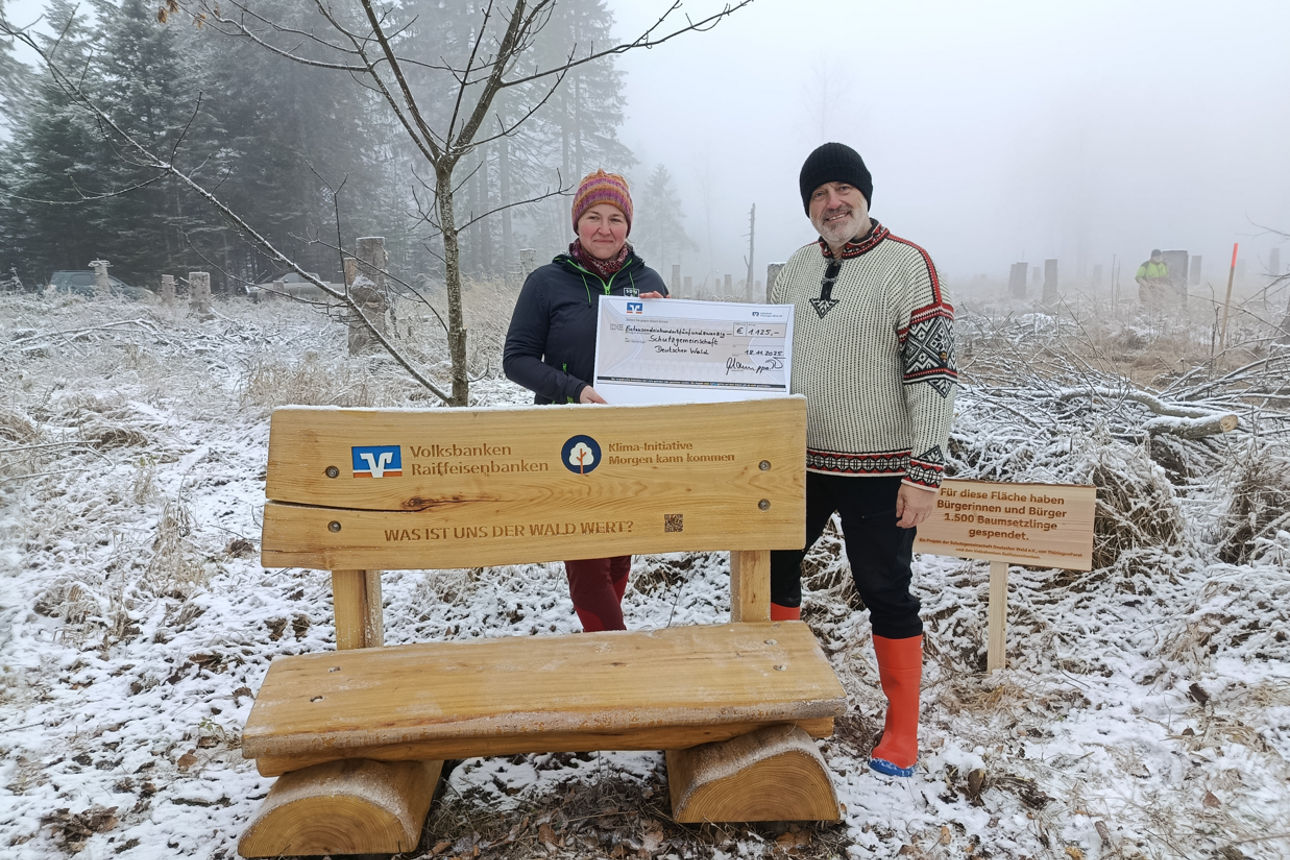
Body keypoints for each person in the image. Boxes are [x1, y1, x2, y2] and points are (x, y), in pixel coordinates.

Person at [769, 142, 957, 778]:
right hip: (795, 462)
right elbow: (760, 353)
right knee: (774, 572)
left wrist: (925, 472)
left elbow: (933, 375)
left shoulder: (911, 266)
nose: (832, 203)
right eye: (819, 195)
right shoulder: (793, 269)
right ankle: (777, 701)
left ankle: (901, 728)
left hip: (882, 470)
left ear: (865, 195)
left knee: (886, 591)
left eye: (842, 190)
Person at [503, 169, 668, 632]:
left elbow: (667, 367)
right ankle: (616, 656)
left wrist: (666, 324)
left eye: (616, 218)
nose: (604, 228)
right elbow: (515, 359)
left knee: (618, 549)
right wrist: (574, 390)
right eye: (593, 216)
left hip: (631, 437)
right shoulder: (546, 282)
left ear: (628, 227)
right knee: (586, 556)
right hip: (568, 436)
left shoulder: (648, 280)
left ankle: (602, 653)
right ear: (577, 223)